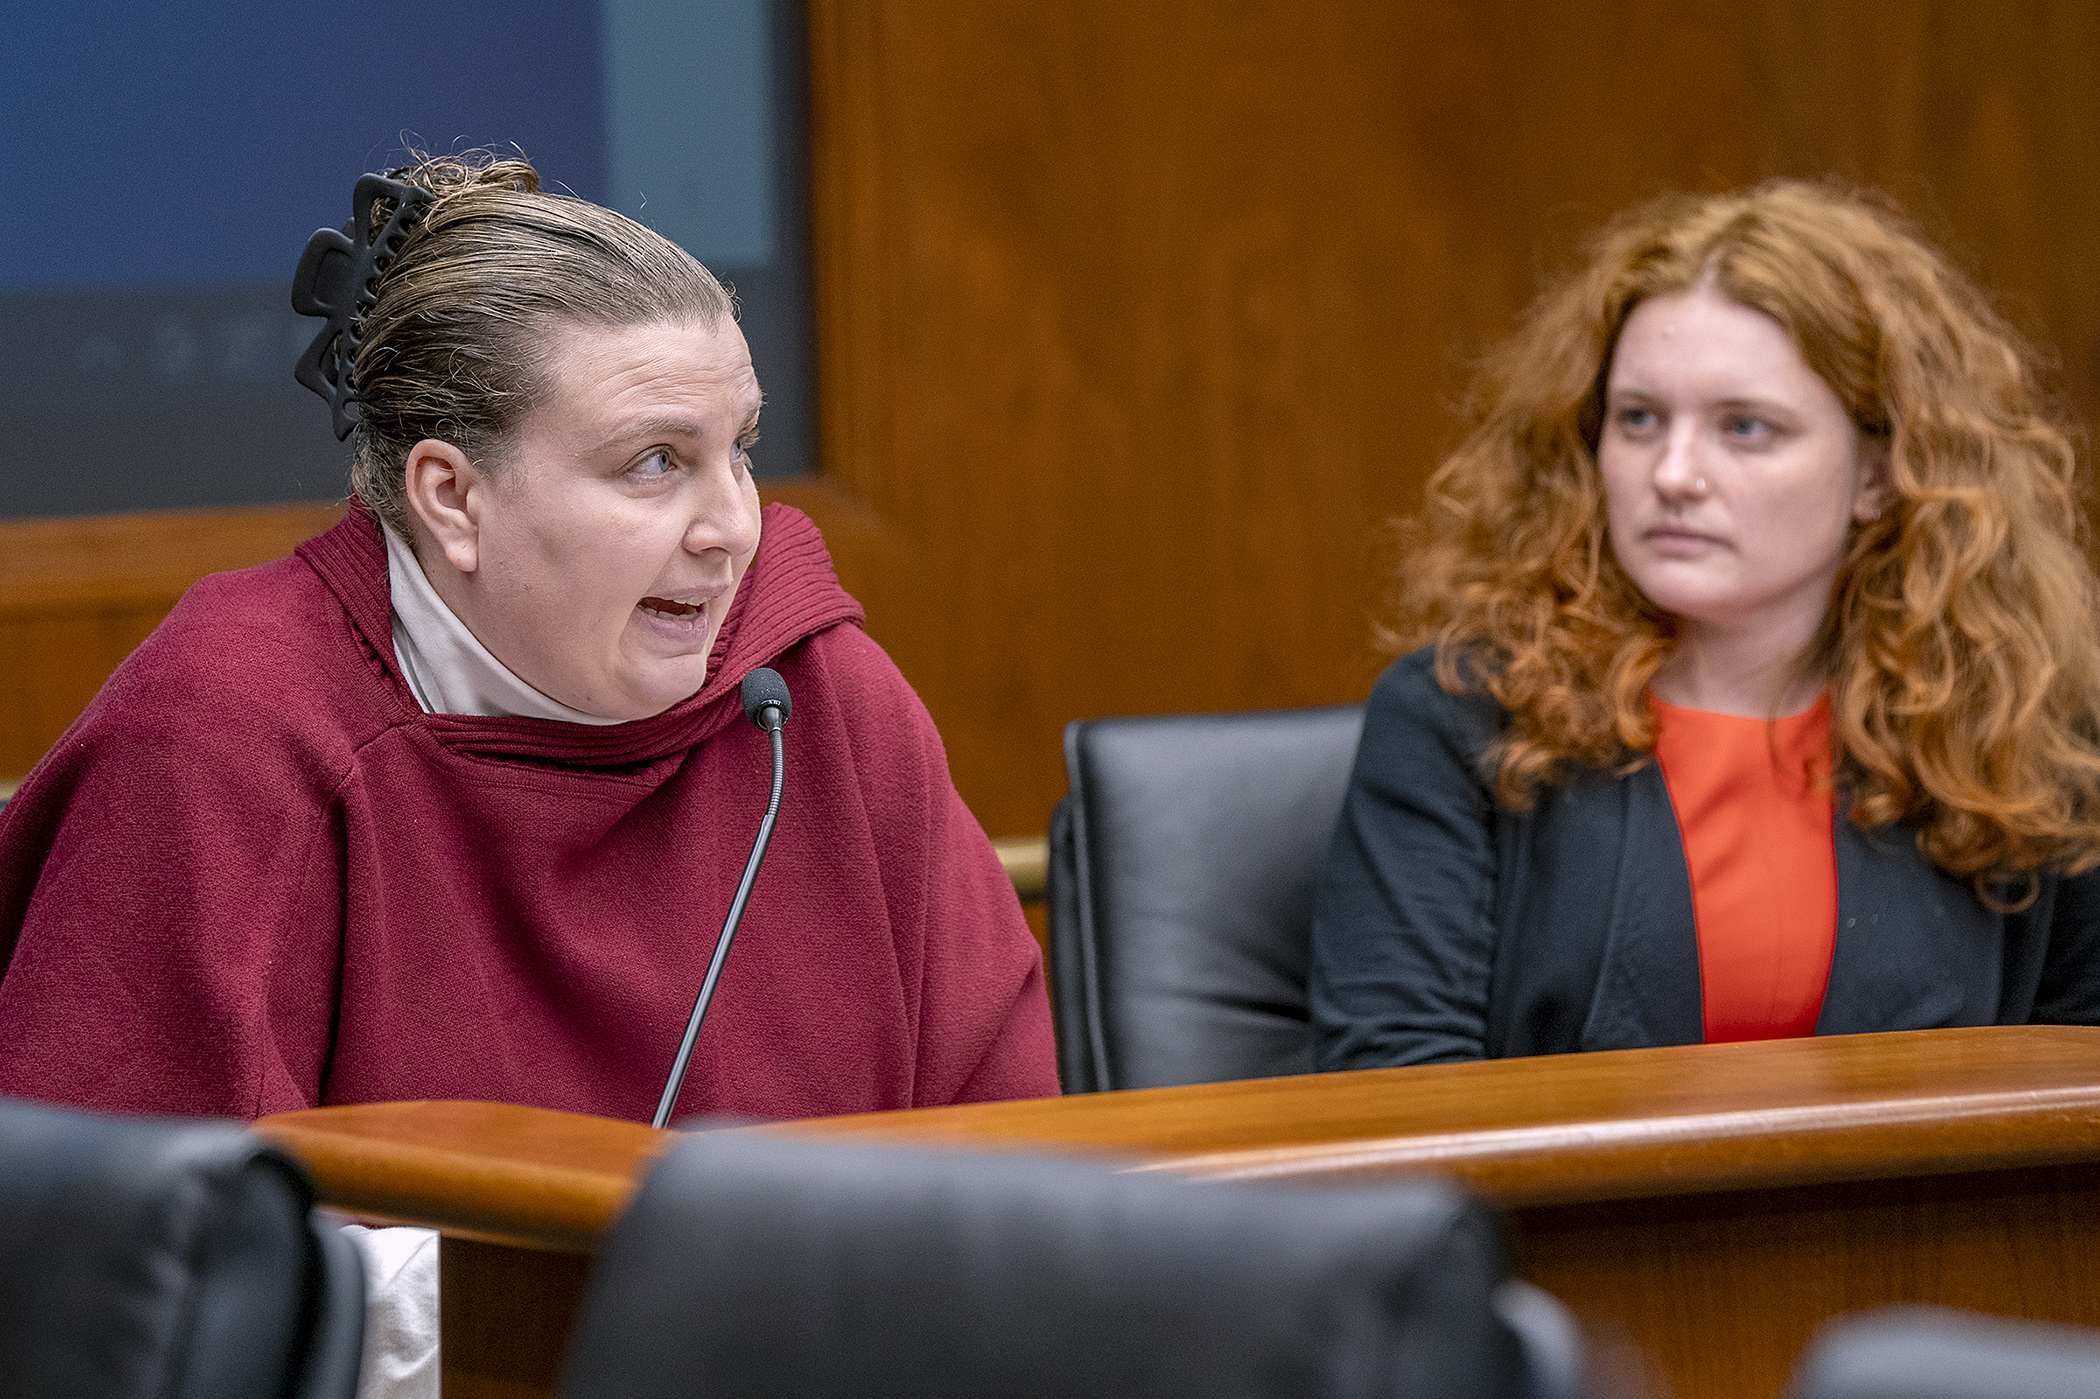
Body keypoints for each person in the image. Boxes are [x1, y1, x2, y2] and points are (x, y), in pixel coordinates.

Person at [0, 153, 1060, 1121]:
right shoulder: (225, 732)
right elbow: (131, 1267)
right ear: (454, 499)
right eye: (654, 460)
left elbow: (1014, 1163)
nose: (735, 526)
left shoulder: (810, 698)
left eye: (739, 449)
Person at [1311, 181, 2100, 1069]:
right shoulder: (1462, 714)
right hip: (1545, 1213)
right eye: (1639, 419)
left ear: (1879, 474)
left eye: (1745, 427)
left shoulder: (2017, 729)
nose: (1674, 472)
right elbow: (1398, 1092)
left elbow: (2074, 1091)